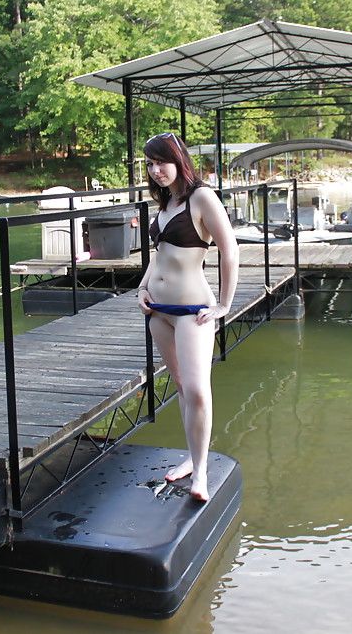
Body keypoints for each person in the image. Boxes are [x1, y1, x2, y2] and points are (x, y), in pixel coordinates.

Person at [136, 132, 238, 501]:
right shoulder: (166, 202)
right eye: (150, 164)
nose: (155, 170)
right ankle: (192, 459)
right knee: (181, 388)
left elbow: (230, 250)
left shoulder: (202, 197)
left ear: (179, 160)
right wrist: (142, 288)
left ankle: (202, 471)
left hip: (193, 311)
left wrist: (224, 304)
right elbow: (159, 254)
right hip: (158, 311)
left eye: (161, 161)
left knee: (197, 390)